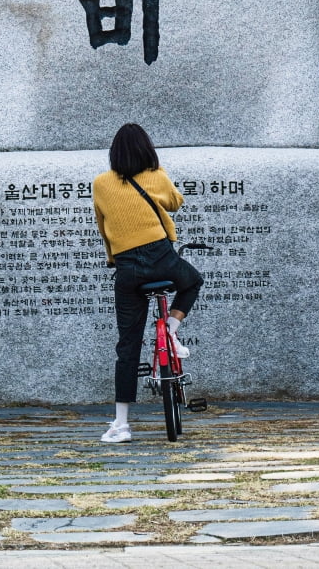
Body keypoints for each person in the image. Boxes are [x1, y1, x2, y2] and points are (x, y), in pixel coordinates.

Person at [91, 122, 203, 443]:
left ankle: (121, 425)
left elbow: (103, 225)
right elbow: (175, 202)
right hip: (160, 257)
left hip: (127, 267)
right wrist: (159, 173)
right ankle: (170, 330)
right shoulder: (156, 176)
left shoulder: (101, 184)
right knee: (192, 282)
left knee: (127, 346)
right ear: (147, 150)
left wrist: (115, 259)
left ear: (114, 154)